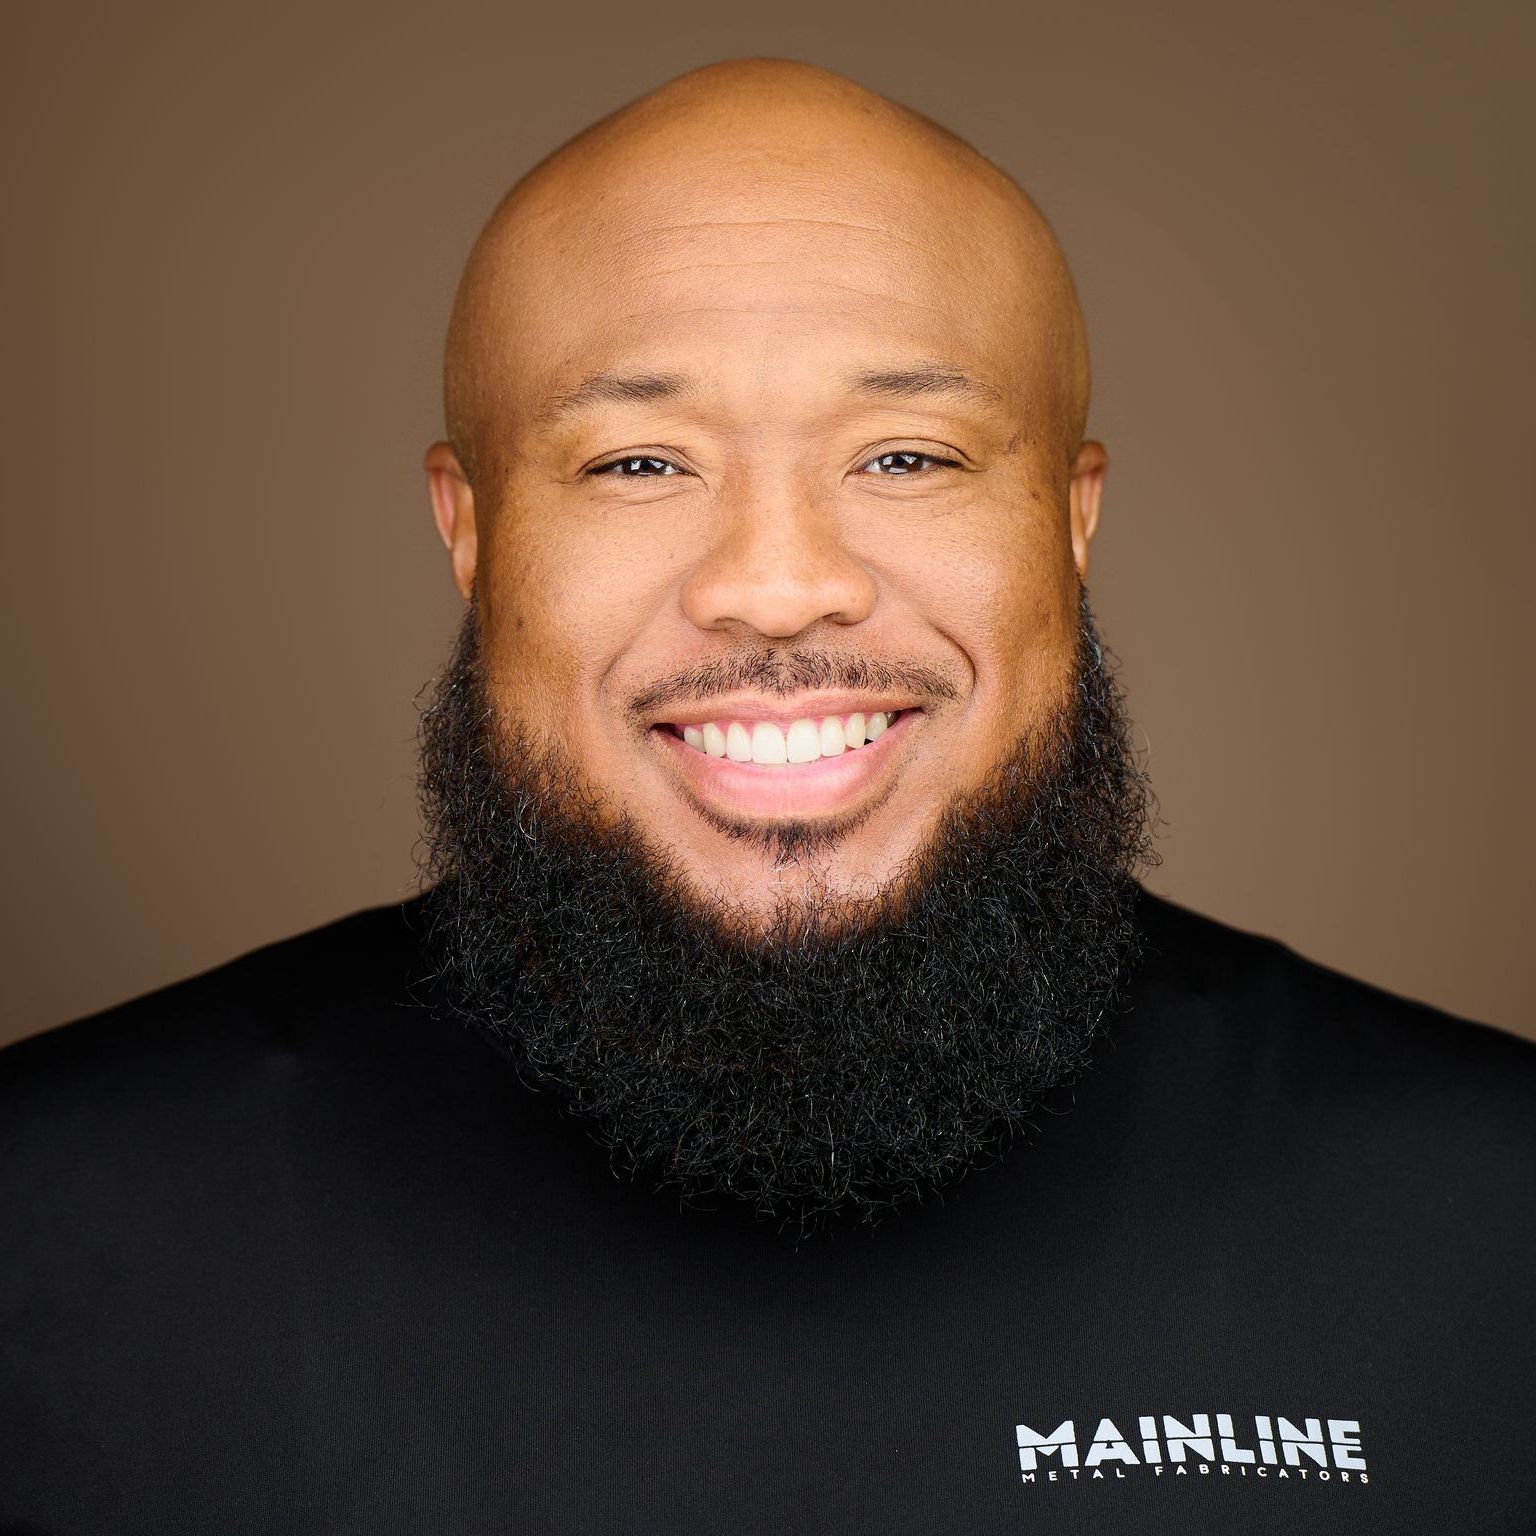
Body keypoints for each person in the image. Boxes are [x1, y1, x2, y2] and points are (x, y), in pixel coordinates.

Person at [2, 59, 1531, 1536]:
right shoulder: (53, 1221)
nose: (780, 586)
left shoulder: (1490, 1222)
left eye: (908, 453)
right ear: (470, 533)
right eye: (640, 464)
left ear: (1072, 519)